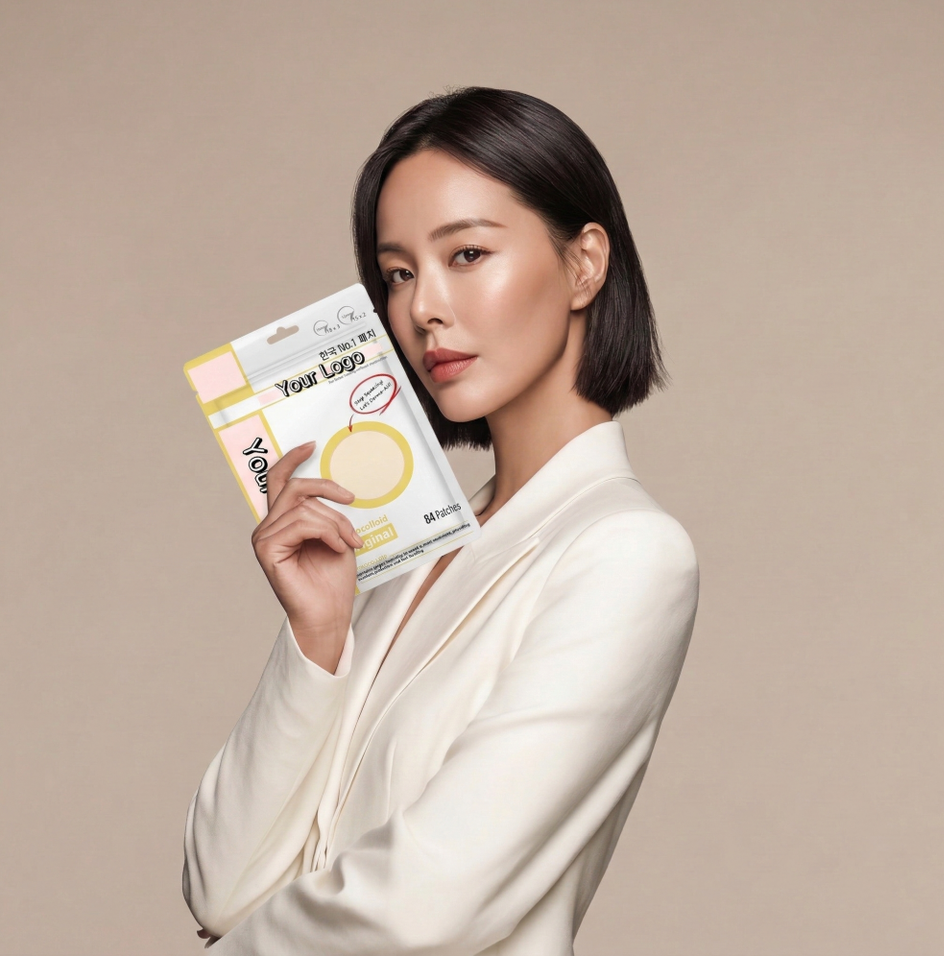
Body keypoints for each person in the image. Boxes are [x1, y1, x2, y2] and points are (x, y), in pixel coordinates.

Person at [182, 87, 700, 955]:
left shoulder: (628, 553)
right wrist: (317, 638)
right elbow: (221, 887)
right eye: (398, 273)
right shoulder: (409, 554)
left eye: (466, 254)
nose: (422, 307)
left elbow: (425, 905)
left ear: (584, 264)